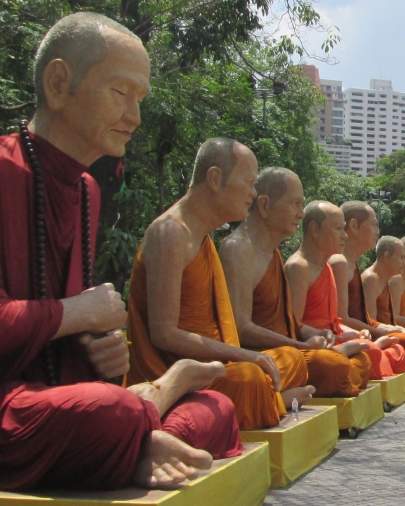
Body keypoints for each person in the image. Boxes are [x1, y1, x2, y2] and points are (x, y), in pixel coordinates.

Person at [0, 12, 241, 493]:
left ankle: (140, 441)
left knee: (219, 407)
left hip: (63, 401)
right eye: (120, 92)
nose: (134, 116)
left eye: (140, 99)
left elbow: (58, 333)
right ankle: (151, 410)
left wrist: (91, 348)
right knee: (113, 410)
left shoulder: (85, 190)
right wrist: (78, 313)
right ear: (58, 84)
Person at [127, 137, 314, 429]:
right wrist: (243, 355)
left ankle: (270, 397)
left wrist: (246, 356)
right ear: (215, 179)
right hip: (175, 376)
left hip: (215, 367)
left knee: (291, 360)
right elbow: (164, 334)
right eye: (249, 182)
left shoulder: (203, 237)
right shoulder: (171, 233)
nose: (253, 193)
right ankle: (276, 400)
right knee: (251, 379)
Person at [219, 167, 372, 396]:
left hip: (286, 353)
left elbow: (289, 321)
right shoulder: (238, 249)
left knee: (356, 360)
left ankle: (284, 391)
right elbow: (240, 329)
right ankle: (279, 395)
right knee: (330, 365)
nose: (301, 214)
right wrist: (301, 346)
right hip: (262, 355)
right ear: (264, 205)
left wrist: (314, 334)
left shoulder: (273, 252)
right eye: (295, 204)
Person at [287, 201, 405, 381]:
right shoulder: (299, 267)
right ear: (314, 229)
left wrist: (353, 333)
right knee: (340, 363)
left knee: (374, 352)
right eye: (338, 229)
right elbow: (293, 326)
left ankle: (351, 351)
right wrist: (333, 338)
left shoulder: (326, 267)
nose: (344, 235)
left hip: (332, 339)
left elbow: (336, 320)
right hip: (317, 345)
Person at [330, 201, 405, 375]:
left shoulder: (352, 263)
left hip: (360, 333)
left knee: (402, 342)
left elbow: (365, 317)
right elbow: (341, 319)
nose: (377, 231)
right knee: (399, 344)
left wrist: (386, 328)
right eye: (374, 225)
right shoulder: (339, 263)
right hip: (345, 335)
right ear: (354, 226)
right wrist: (378, 331)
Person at [361, 235, 405, 368]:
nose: (404, 263)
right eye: (401, 257)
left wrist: (400, 330)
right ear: (386, 257)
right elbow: (370, 323)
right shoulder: (371, 279)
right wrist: (398, 330)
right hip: (376, 336)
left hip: (387, 332)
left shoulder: (385, 279)